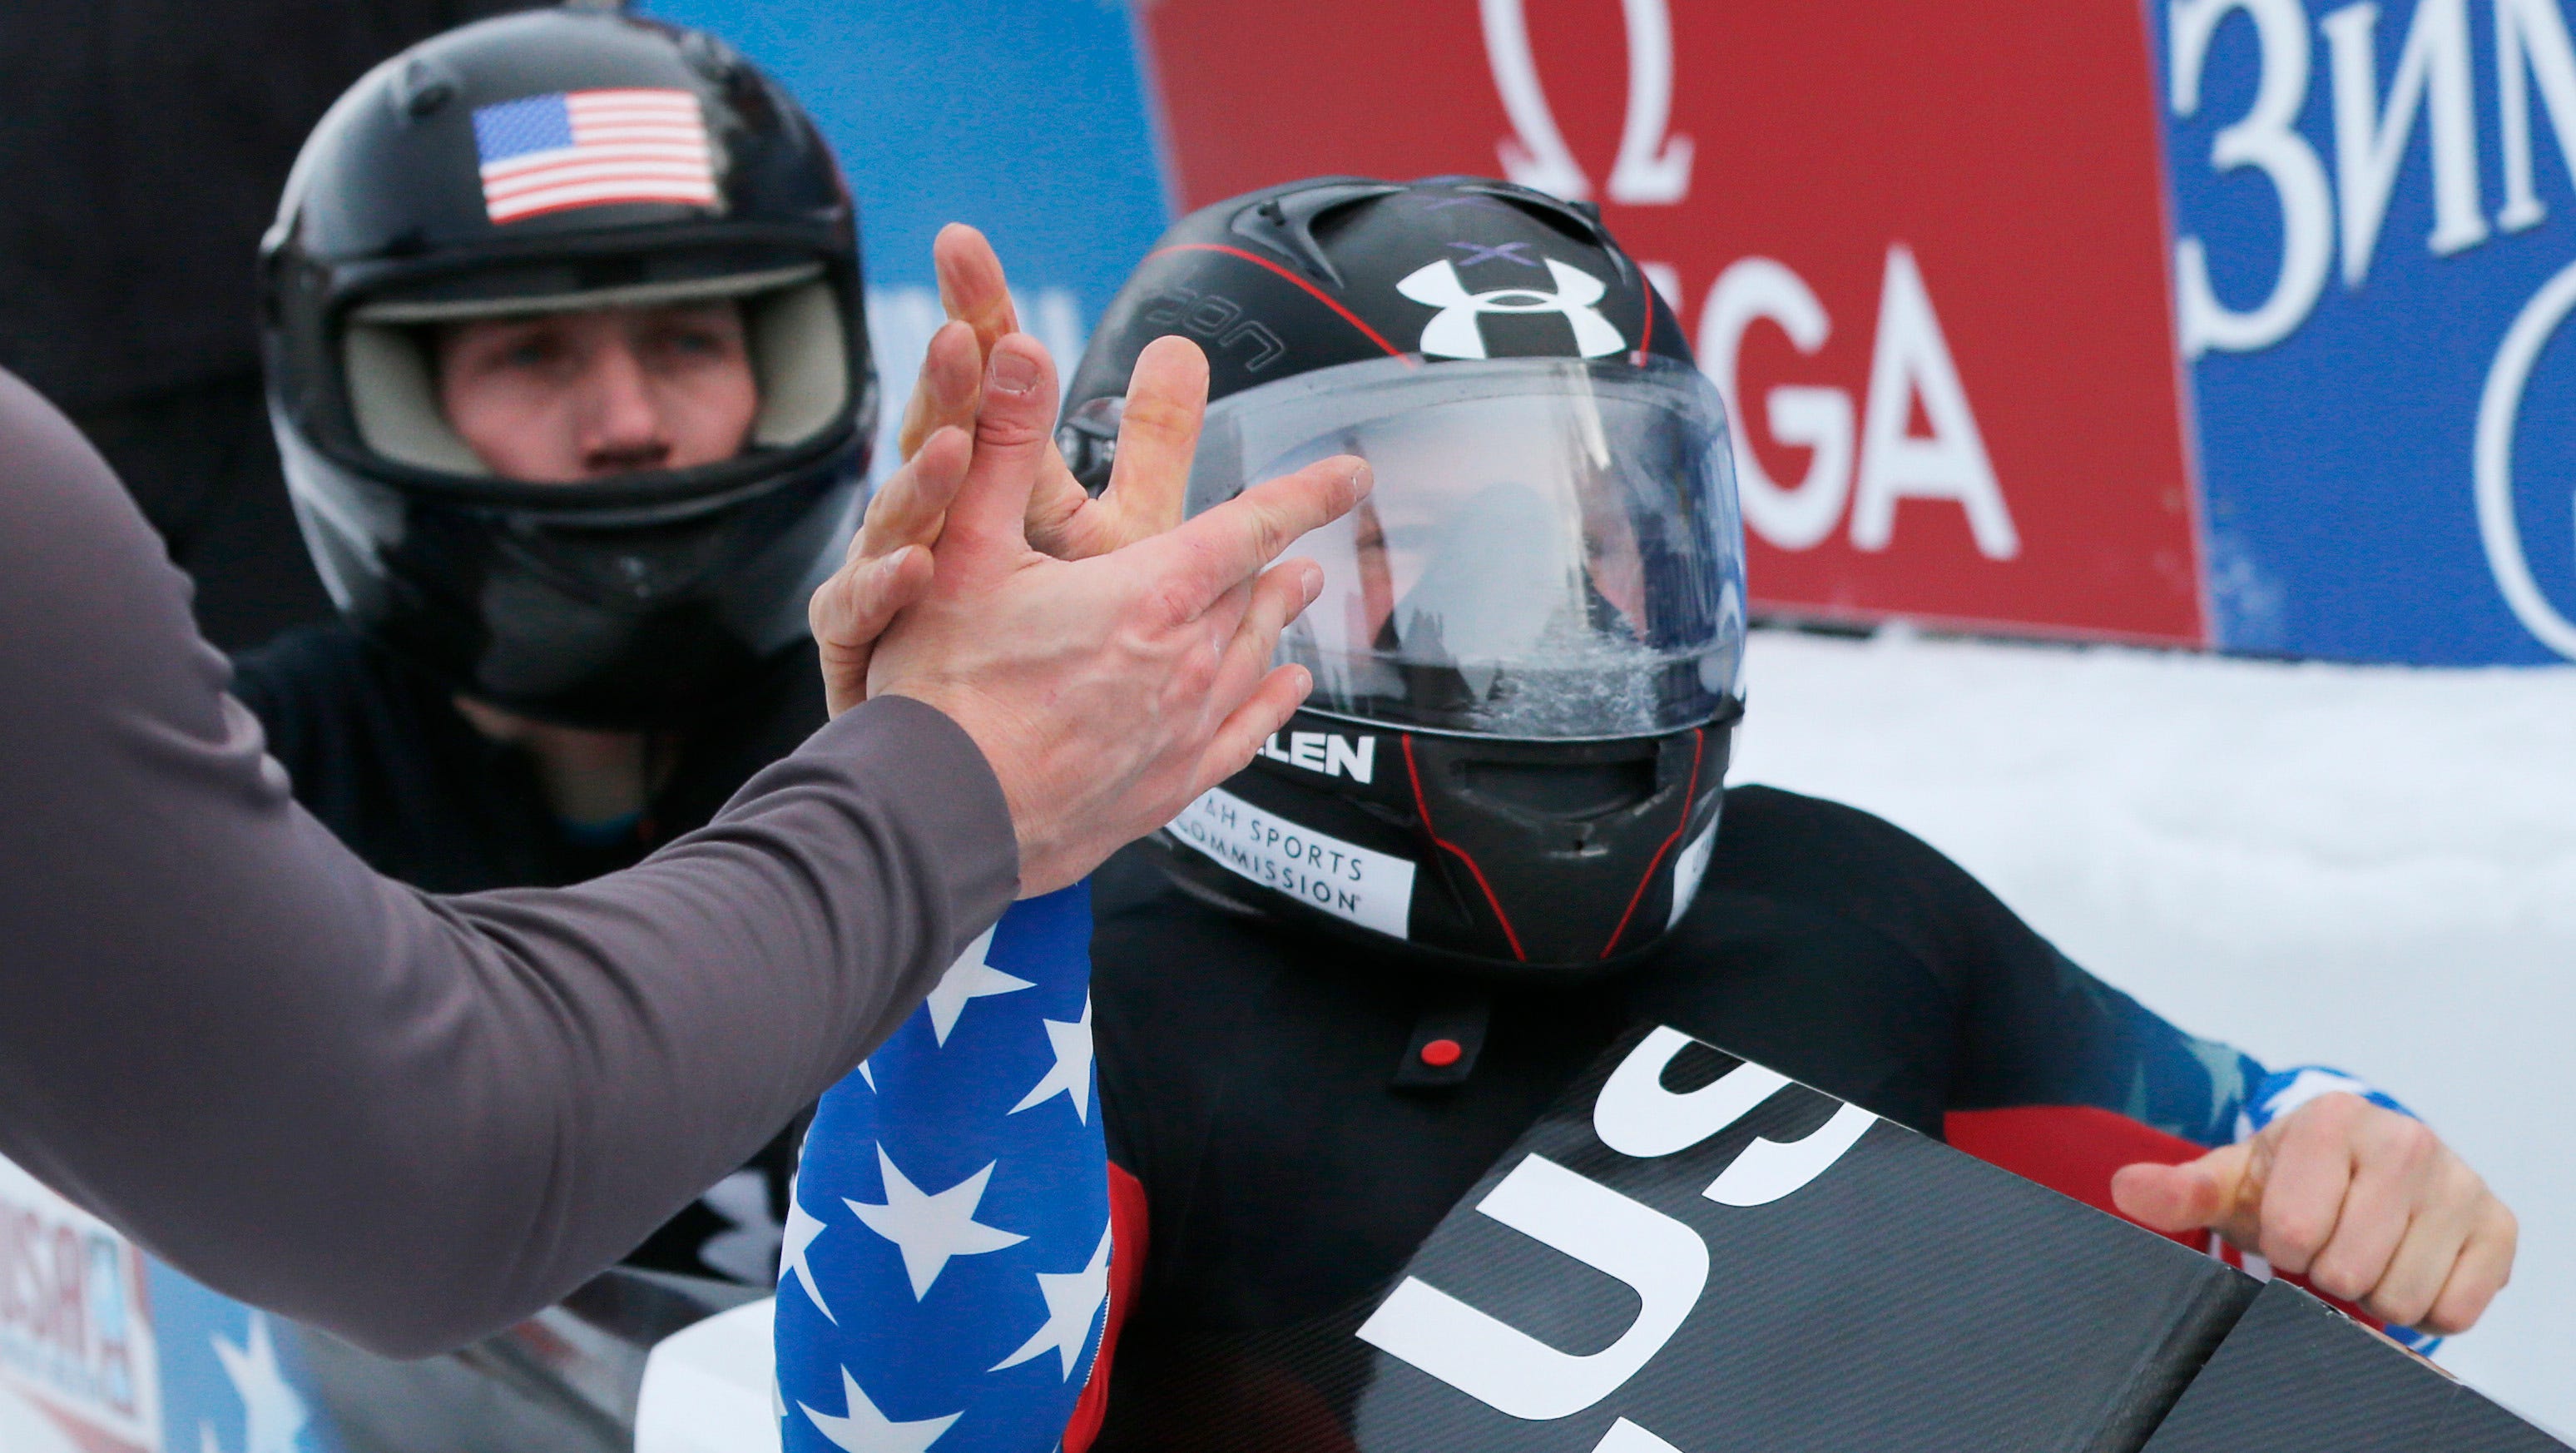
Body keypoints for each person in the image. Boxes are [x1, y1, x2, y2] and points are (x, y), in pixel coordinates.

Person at [846, 181, 2518, 1449]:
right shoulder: (1064, 1020)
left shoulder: (1848, 908)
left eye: (1591, 525)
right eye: (1397, 543)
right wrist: (989, 853)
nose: (1550, 616)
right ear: (1182, 581)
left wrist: (2355, 1180)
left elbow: (2248, 1153)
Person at [0, 107, 1364, 1383]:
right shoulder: (247, 757)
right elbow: (407, 1175)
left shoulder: (895, 699)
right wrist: (960, 781)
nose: (631, 423)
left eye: (691, 345)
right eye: (532, 352)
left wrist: (1052, 805)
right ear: (371, 397)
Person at [0, 0, 550, 648]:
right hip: (35, 406)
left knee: (301, 717)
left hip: (318, 386)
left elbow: (525, 72)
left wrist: (544, 260)